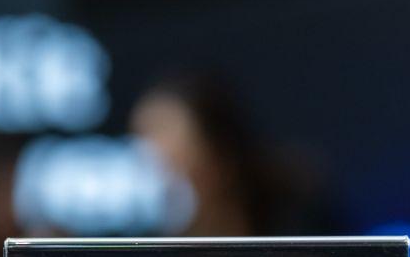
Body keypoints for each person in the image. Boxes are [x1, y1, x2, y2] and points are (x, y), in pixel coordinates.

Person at [128, 71, 333, 237]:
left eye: (168, 148)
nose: (151, 163)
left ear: (220, 155)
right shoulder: (139, 247)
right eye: (141, 140)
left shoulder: (297, 229)